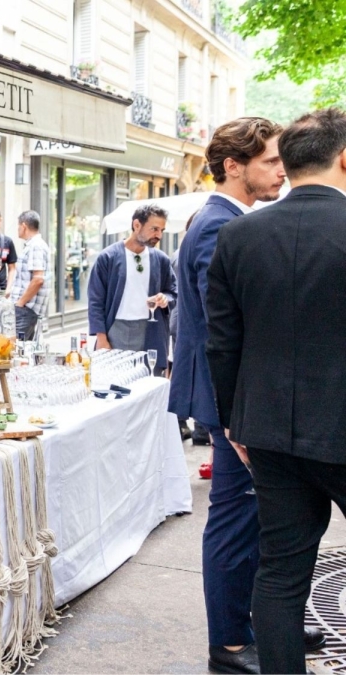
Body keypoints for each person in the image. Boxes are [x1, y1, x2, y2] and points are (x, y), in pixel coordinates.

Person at [169, 116, 323, 674]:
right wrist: (235, 417)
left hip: (236, 401)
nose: (282, 171)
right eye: (270, 163)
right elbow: (225, 329)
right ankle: (231, 644)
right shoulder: (217, 224)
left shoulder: (224, 219)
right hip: (231, 403)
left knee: (255, 522)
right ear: (234, 167)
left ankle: (259, 625)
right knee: (235, 523)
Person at [206, 108, 346, 674]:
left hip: (267, 429)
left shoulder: (239, 235)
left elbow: (223, 342)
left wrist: (233, 421)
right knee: (281, 573)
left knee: (282, 574)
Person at [85, 203, 176, 374]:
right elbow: (95, 301)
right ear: (136, 225)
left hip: (151, 331)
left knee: (149, 384)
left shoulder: (161, 259)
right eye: (154, 229)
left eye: (162, 230)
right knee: (114, 382)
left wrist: (165, 299)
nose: (158, 235)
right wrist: (101, 339)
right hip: (116, 330)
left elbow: (173, 292)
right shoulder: (108, 257)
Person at [8, 210, 50, 340]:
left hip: (26, 309)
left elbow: (38, 279)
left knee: (16, 351)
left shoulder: (36, 246)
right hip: (25, 309)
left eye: (18, 225)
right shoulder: (34, 245)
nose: (18, 229)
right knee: (23, 351)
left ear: (24, 226)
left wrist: (20, 302)